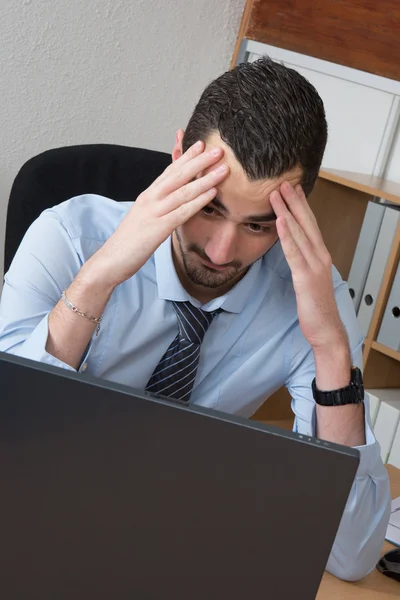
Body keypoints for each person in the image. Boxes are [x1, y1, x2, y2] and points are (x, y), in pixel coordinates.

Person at [0, 57, 390, 581]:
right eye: (209, 208)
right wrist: (96, 281)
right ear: (179, 156)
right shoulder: (71, 236)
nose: (222, 251)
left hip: (176, 559)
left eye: (258, 225)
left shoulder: (311, 295)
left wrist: (332, 351)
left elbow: (350, 555)